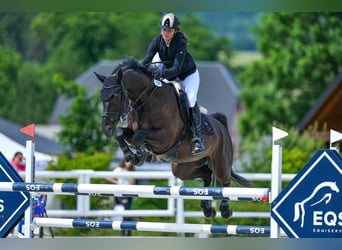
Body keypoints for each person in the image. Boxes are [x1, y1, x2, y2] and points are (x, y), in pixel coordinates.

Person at [141, 12, 205, 155]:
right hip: (169, 74)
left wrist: (160, 74)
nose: (166, 33)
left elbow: (176, 69)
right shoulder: (157, 41)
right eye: (164, 29)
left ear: (175, 31)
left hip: (187, 75)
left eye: (169, 30)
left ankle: (197, 138)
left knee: (190, 99)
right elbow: (145, 62)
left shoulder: (180, 43)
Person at [106, 159, 136, 236]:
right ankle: (123, 232)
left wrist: (129, 174)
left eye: (130, 162)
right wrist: (117, 183)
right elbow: (108, 178)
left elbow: (133, 184)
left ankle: (128, 231)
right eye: (127, 161)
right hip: (121, 193)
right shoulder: (119, 169)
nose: (129, 163)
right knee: (125, 212)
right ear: (123, 161)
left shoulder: (132, 171)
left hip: (129, 193)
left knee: (128, 212)